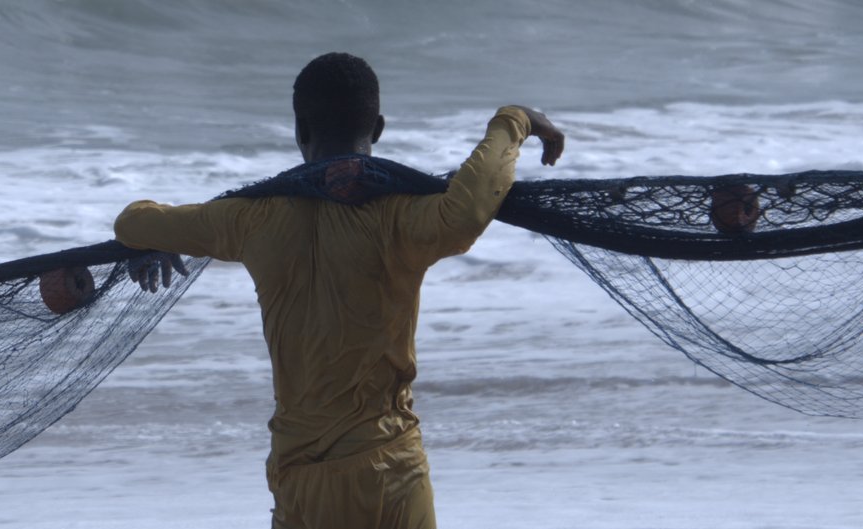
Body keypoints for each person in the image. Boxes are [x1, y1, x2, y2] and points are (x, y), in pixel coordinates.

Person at [114, 52, 563, 529]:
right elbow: (468, 209)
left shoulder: (249, 218)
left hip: (301, 479)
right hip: (389, 470)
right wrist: (516, 120)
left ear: (300, 131)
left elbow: (131, 221)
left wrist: (156, 240)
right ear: (379, 129)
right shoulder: (399, 216)